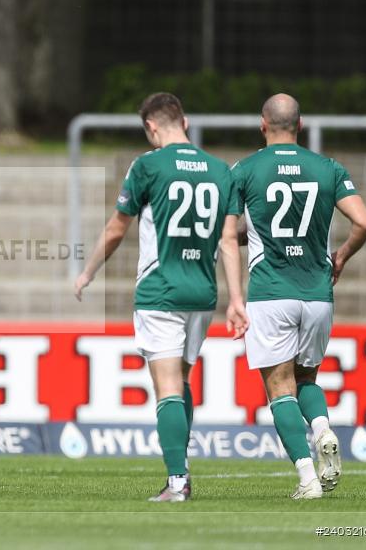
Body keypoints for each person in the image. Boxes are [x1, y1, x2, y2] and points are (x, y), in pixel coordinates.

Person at [73, 92, 248, 502]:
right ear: (183, 121)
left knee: (167, 387)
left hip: (161, 291)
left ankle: (176, 482)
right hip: (203, 294)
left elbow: (117, 229)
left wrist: (87, 270)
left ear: (152, 127)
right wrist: (236, 299)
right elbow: (228, 239)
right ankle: (181, 471)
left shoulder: (148, 166)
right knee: (182, 382)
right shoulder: (221, 170)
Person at [232, 94, 366, 499]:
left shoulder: (246, 169)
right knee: (307, 376)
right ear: (301, 124)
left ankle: (308, 479)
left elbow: (236, 229)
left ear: (263, 125)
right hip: (317, 293)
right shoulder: (327, 168)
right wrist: (341, 256)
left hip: (270, 292)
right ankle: (323, 428)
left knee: (279, 387)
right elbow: (364, 221)